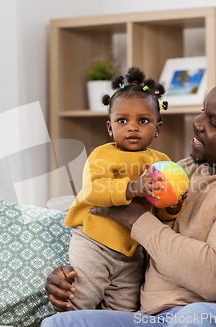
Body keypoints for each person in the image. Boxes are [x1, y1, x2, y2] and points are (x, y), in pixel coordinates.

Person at [42, 71, 216, 327]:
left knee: (194, 317)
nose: (197, 123)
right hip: (154, 317)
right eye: (203, 111)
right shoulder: (182, 169)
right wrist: (78, 278)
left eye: (215, 122)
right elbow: (144, 249)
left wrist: (137, 219)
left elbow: (212, 278)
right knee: (62, 323)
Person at [63, 67, 186, 311]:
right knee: (81, 299)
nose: (132, 127)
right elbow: (94, 191)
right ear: (110, 127)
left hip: (132, 252)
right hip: (93, 242)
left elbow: (158, 210)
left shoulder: (163, 163)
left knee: (126, 309)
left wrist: (173, 206)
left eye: (143, 120)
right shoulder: (102, 155)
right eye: (122, 120)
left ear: (157, 128)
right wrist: (132, 187)